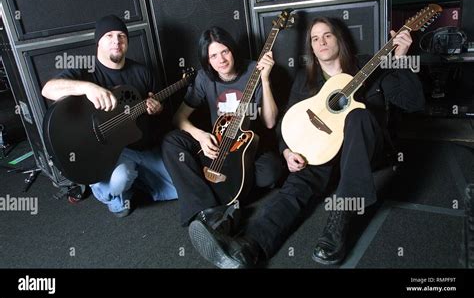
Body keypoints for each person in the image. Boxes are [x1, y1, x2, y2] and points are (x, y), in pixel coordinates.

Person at [188, 17, 425, 268]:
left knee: (358, 115)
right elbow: (285, 121)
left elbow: (414, 103)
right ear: (311, 47)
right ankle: (248, 248)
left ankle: (339, 221)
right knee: (295, 189)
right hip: (321, 152)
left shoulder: (369, 65)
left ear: (339, 39)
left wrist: (400, 58)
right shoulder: (305, 79)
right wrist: (287, 151)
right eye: (314, 38)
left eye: (327, 35)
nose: (321, 42)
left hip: (364, 153)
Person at [42, 15, 177, 217]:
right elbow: (48, 90)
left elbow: (159, 110)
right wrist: (87, 88)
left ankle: (138, 181)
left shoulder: (142, 72)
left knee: (178, 187)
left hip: (141, 145)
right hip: (106, 152)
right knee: (121, 178)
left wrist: (157, 109)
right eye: (109, 35)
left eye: (122, 35)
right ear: (99, 42)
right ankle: (113, 194)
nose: (117, 41)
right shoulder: (85, 71)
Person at [161, 26, 283, 243]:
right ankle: (207, 210)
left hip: (247, 148)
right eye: (213, 56)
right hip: (216, 144)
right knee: (171, 141)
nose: (221, 60)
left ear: (232, 50)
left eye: (224, 51)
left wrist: (265, 80)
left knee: (271, 172)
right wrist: (200, 135)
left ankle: (209, 193)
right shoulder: (203, 78)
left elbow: (270, 121)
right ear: (207, 60)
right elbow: (178, 118)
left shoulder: (255, 70)